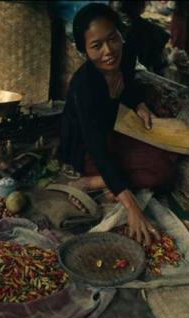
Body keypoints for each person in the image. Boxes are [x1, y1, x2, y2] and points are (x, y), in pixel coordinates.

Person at [59, 3, 179, 245]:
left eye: (113, 39)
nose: (108, 51)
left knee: (170, 157)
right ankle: (89, 181)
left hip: (114, 131)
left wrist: (140, 105)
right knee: (160, 172)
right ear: (84, 51)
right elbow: (97, 149)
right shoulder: (85, 86)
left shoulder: (125, 56)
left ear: (120, 35)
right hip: (86, 149)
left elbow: (130, 88)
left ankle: (108, 182)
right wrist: (133, 208)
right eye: (96, 46)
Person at [110, 0, 170, 74]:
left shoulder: (108, 27)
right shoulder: (155, 32)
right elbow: (161, 66)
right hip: (144, 80)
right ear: (142, 6)